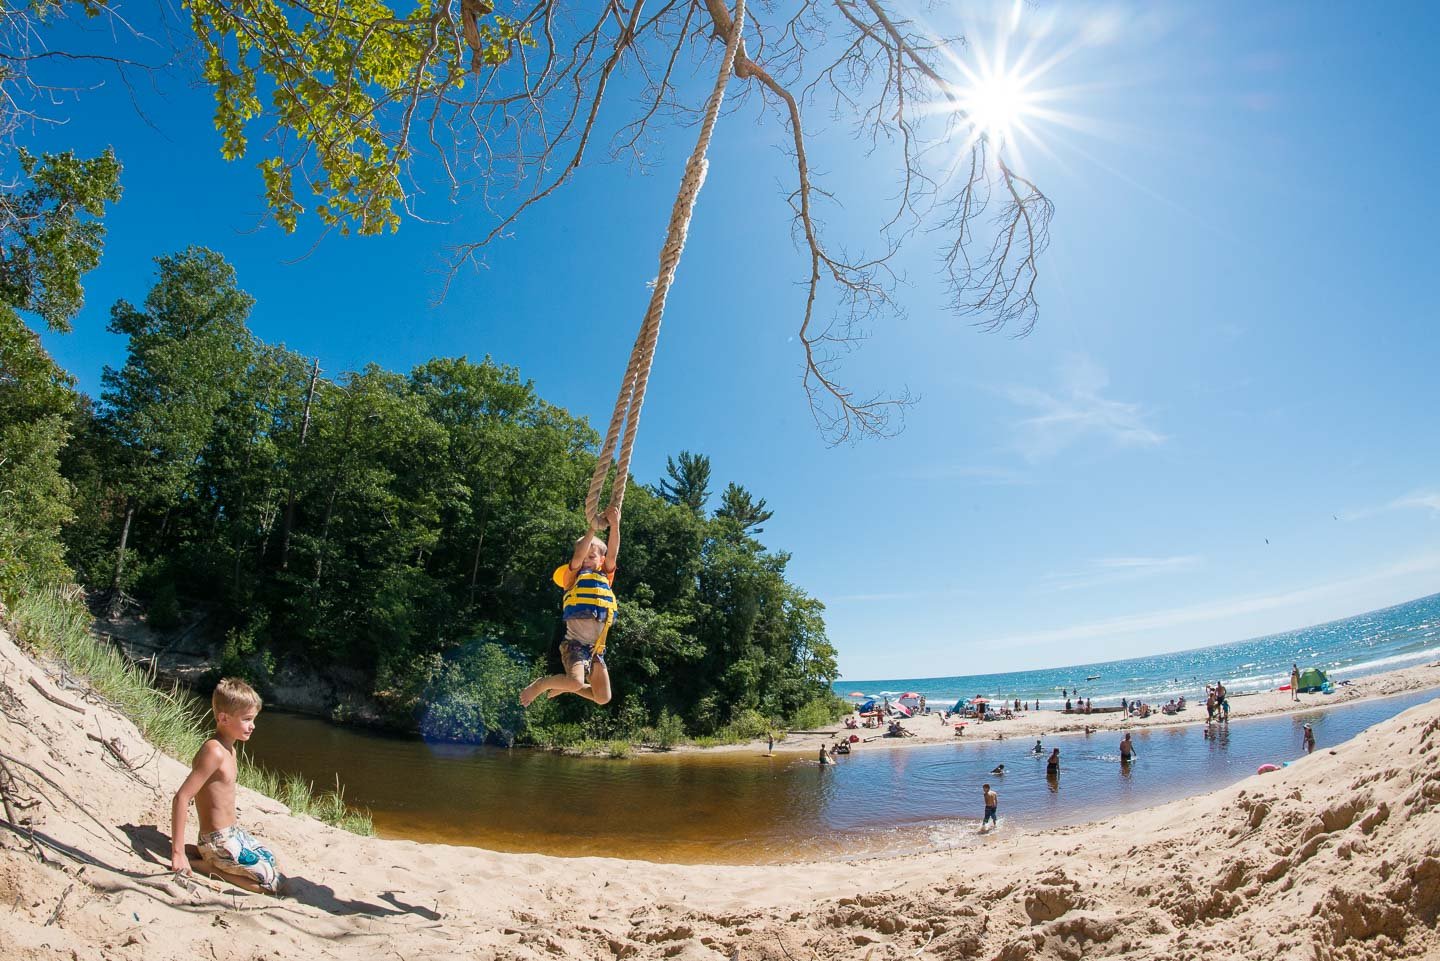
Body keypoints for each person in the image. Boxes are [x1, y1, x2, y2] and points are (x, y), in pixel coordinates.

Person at [170, 678, 281, 895]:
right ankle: (205, 865)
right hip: (216, 840)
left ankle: (203, 857)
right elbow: (182, 798)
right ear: (223, 718)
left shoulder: (231, 749)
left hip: (233, 834)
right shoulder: (214, 751)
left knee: (272, 863)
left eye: (253, 719)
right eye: (247, 719)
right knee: (268, 885)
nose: (253, 726)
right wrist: (177, 852)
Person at [520, 507, 622, 707]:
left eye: (591, 557)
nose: (585, 561)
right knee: (576, 681)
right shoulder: (572, 578)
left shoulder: (605, 577)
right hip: (575, 645)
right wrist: (592, 529)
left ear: (601, 560)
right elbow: (579, 555)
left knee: (603, 698)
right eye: (584, 557)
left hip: (596, 650)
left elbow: (613, 553)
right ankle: (542, 684)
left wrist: (615, 524)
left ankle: (566, 686)